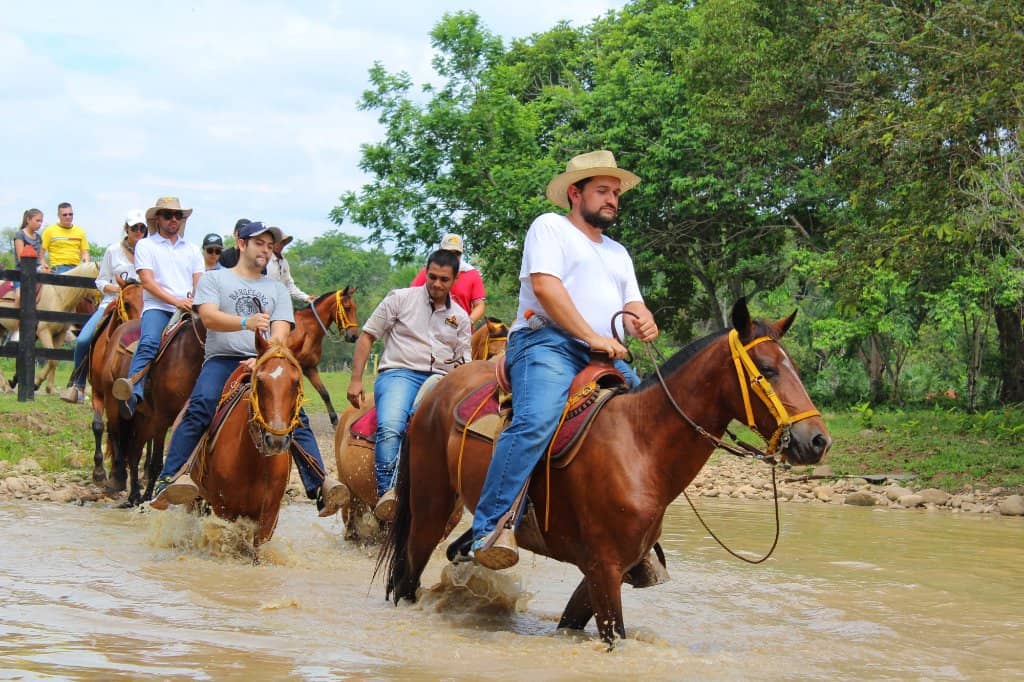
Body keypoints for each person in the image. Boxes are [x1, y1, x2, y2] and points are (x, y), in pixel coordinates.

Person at [467, 150, 660, 569]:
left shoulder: (618, 252)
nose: (613, 200)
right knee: (536, 421)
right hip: (547, 344)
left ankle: (634, 538)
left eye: (616, 193)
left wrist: (644, 322)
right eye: (603, 191)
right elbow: (547, 288)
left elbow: (633, 306)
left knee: (651, 423)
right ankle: (491, 528)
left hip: (605, 353)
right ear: (575, 193)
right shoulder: (550, 227)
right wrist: (590, 335)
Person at [149, 221, 350, 516]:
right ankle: (169, 479)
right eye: (260, 244)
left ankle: (319, 483)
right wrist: (246, 323)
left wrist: (267, 354)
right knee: (201, 405)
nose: (266, 251)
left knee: (296, 412)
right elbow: (208, 318)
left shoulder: (276, 289)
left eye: (270, 246)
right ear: (241, 243)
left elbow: (281, 330)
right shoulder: (215, 280)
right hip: (223, 359)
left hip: (265, 361)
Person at [346, 249, 472, 520]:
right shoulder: (399, 299)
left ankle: (461, 494)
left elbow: (465, 361)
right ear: (426, 272)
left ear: (454, 280)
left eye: (444, 279)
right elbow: (367, 336)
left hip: (441, 379)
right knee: (391, 426)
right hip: (399, 373)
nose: (437, 284)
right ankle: (388, 494)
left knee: (467, 430)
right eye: (433, 277)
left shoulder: (461, 318)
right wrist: (356, 379)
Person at [112, 197, 204, 420]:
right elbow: (148, 282)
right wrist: (176, 301)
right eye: (167, 215)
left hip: (189, 307)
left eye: (177, 216)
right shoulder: (146, 245)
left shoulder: (192, 249)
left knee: (213, 343)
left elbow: (199, 279)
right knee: (150, 342)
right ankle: (133, 391)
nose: (173, 219)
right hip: (159, 307)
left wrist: (196, 299)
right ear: (157, 218)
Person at [61, 211, 147, 404]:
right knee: (84, 339)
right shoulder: (113, 251)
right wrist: (116, 289)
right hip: (113, 302)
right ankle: (78, 384)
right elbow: (100, 281)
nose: (139, 232)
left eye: (142, 228)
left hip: (143, 307)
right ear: (127, 229)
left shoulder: (151, 251)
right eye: (135, 228)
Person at [409, 233, 486, 324]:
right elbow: (412, 297)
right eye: (448, 252)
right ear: (440, 251)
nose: (452, 256)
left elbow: (479, 305)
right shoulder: (430, 272)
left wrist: (466, 323)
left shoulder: (471, 273)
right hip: (429, 325)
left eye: (456, 253)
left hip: (458, 328)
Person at [266, 231, 314, 305]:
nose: (280, 245)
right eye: (278, 242)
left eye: (282, 242)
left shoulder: (284, 262)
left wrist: (306, 297)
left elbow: (289, 285)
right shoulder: (264, 260)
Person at [41, 202, 89, 273]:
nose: (68, 217)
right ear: (58, 216)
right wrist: (44, 264)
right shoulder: (50, 231)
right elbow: (41, 253)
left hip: (76, 267)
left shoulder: (80, 231)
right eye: (65, 215)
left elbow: (85, 252)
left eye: (70, 214)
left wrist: (86, 262)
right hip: (58, 267)